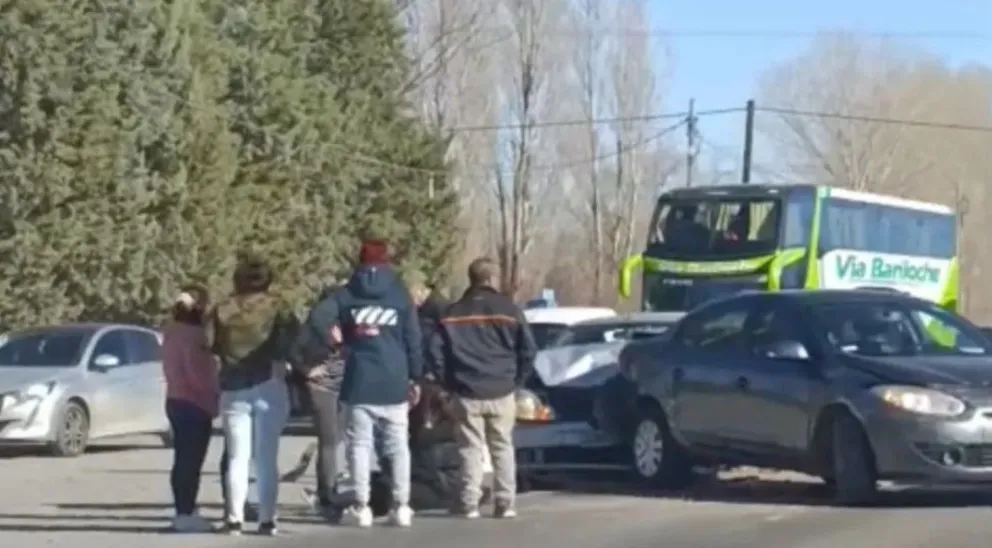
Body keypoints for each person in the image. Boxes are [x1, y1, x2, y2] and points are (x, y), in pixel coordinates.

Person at [302, 238, 423, 528]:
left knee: (359, 446)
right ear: (387, 261)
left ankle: (361, 506)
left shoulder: (348, 294)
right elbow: (413, 339)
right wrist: (416, 377)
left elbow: (318, 316)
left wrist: (336, 339)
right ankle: (401, 505)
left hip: (359, 379)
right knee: (397, 446)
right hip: (394, 378)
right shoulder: (399, 294)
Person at [429, 257, 537, 519]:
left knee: (470, 448)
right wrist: (515, 381)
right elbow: (529, 350)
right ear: (491, 279)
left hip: (466, 391)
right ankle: (505, 502)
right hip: (502, 389)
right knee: (502, 446)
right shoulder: (509, 310)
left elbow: (434, 352)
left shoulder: (453, 313)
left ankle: (469, 502)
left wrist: (449, 384)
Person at [208, 254, 299, 536]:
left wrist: (225, 354)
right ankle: (267, 520)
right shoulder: (279, 308)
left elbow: (207, 343)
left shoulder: (222, 309)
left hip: (234, 385)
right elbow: (295, 337)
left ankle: (233, 518)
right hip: (269, 382)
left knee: (237, 456)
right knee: (266, 458)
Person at [161, 286, 218, 533]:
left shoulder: (171, 333)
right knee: (191, 462)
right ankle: (186, 512)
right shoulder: (194, 337)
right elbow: (198, 375)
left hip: (174, 399)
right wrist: (215, 394)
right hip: (195, 403)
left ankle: (183, 509)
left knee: (182, 458)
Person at [292, 282, 348, 518]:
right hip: (322, 386)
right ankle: (327, 494)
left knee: (335, 440)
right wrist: (307, 371)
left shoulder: (349, 324)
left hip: (345, 386)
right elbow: (294, 351)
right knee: (329, 441)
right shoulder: (314, 324)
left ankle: (326, 489)